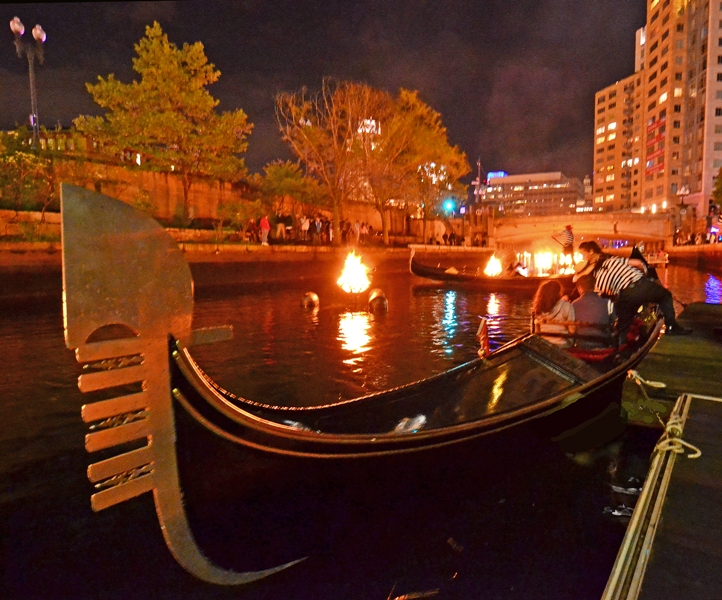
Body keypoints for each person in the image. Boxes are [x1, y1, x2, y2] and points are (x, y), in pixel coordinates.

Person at [574, 241, 691, 340]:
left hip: (626, 295)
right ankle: (671, 328)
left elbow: (604, 292)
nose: (582, 257)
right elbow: (639, 263)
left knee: (623, 324)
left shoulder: (597, 275)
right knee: (665, 296)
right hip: (639, 285)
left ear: (591, 252)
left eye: (583, 254)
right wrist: (644, 277)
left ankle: (619, 349)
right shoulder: (613, 260)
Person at [571, 274, 616, 349]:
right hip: (602, 344)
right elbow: (613, 322)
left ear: (579, 288)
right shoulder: (608, 303)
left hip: (581, 345)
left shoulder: (573, 304)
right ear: (594, 286)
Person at [532, 280, 575, 347]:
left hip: (545, 344)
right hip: (563, 344)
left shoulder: (537, 308)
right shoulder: (567, 306)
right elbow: (572, 330)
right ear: (559, 292)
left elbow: (536, 332)